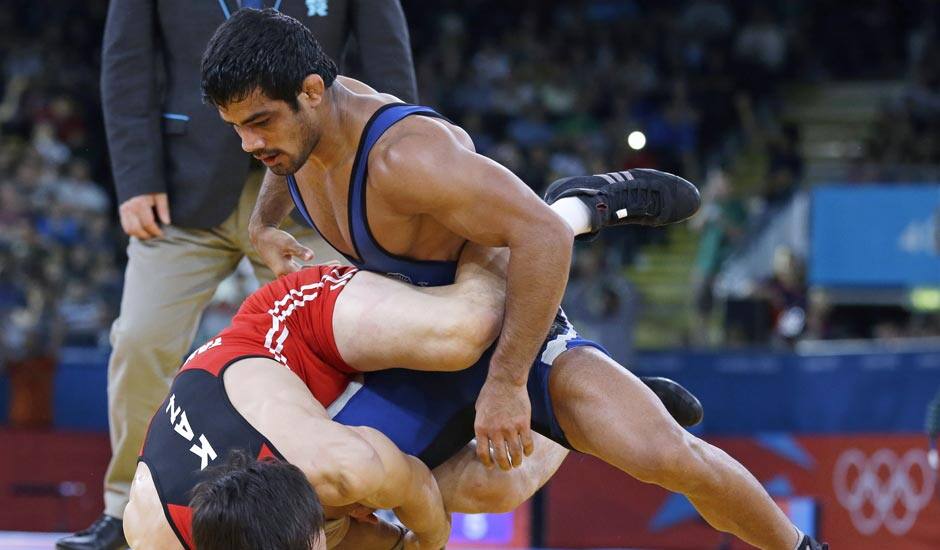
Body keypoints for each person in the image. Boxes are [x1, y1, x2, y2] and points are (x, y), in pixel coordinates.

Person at [200, 10, 828, 549]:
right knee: (357, 493)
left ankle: (580, 207)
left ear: (312, 91)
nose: (251, 145)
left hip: (496, 317)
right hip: (415, 337)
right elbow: (280, 162)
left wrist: (506, 384)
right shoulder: (298, 136)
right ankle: (599, 416)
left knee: (670, 459)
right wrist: (261, 226)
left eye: (259, 123)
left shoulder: (406, 158)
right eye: (237, 128)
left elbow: (540, 240)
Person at [59, 2, 418, 548]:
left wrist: (377, 186)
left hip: (312, 191)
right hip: (182, 191)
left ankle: (346, 511)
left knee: (355, 348)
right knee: (139, 338)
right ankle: (122, 509)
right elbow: (126, 63)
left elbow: (387, 63)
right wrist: (135, 177)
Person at [122, 240, 696, 549]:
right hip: (319, 427)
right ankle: (593, 409)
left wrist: (427, 543)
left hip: (296, 335)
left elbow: (415, 495)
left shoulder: (336, 469)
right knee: (494, 488)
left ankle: (534, 228)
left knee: (463, 330)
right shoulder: (166, 536)